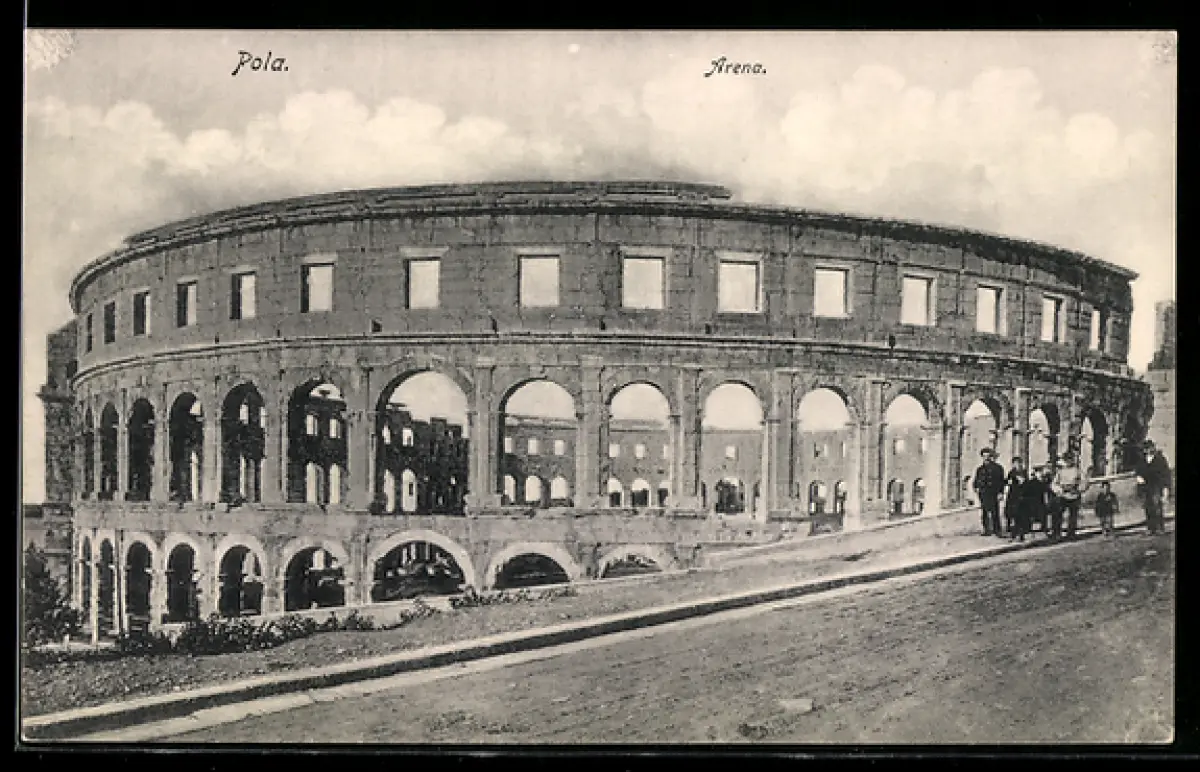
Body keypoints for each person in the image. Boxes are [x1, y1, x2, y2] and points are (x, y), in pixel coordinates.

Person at [1135, 439, 1172, 534]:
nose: (1148, 450)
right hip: (1145, 487)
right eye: (1146, 448)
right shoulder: (1142, 460)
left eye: (1150, 448)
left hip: (1156, 486)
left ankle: (1160, 527)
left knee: (1157, 506)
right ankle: (1151, 528)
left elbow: (1165, 473)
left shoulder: (1160, 459)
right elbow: (1138, 471)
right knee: (1148, 507)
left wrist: (1166, 487)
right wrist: (1139, 478)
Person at [1051, 450, 1088, 540]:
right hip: (1063, 495)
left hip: (1074, 495)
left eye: (1070, 459)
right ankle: (1056, 533)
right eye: (1066, 459)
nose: (1068, 461)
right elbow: (1054, 484)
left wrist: (1078, 489)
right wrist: (1060, 490)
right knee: (1058, 514)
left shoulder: (1078, 471)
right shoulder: (1060, 471)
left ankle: (1071, 534)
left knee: (1073, 516)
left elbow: (1085, 482)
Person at [972, 448, 1006, 537]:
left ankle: (997, 530)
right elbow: (976, 480)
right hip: (983, 493)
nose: (986, 458)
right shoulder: (980, 469)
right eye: (984, 456)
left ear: (991, 457)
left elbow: (1001, 481)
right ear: (982, 457)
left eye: (988, 456)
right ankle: (986, 530)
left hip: (993, 493)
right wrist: (976, 487)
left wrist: (1001, 492)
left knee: (995, 511)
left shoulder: (998, 468)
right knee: (985, 512)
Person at [1003, 456, 1028, 538]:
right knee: (1011, 512)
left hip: (1021, 495)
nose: (1017, 465)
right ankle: (1011, 529)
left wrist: (1021, 480)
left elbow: (1025, 482)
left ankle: (1020, 530)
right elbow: (1007, 481)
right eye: (1015, 463)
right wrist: (1008, 482)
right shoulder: (1011, 472)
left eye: (1018, 463)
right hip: (1012, 494)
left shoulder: (1024, 472)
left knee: (1020, 513)